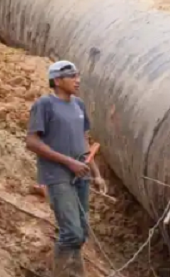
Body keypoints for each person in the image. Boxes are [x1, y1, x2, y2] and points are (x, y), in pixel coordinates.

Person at [26, 61, 108, 277]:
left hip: (81, 176)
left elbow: (83, 141)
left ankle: (75, 273)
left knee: (81, 232)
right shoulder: (45, 104)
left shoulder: (78, 105)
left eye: (77, 75)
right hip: (57, 175)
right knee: (71, 233)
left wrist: (96, 174)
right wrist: (68, 162)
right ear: (57, 80)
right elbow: (32, 142)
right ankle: (59, 273)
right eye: (72, 76)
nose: (77, 80)